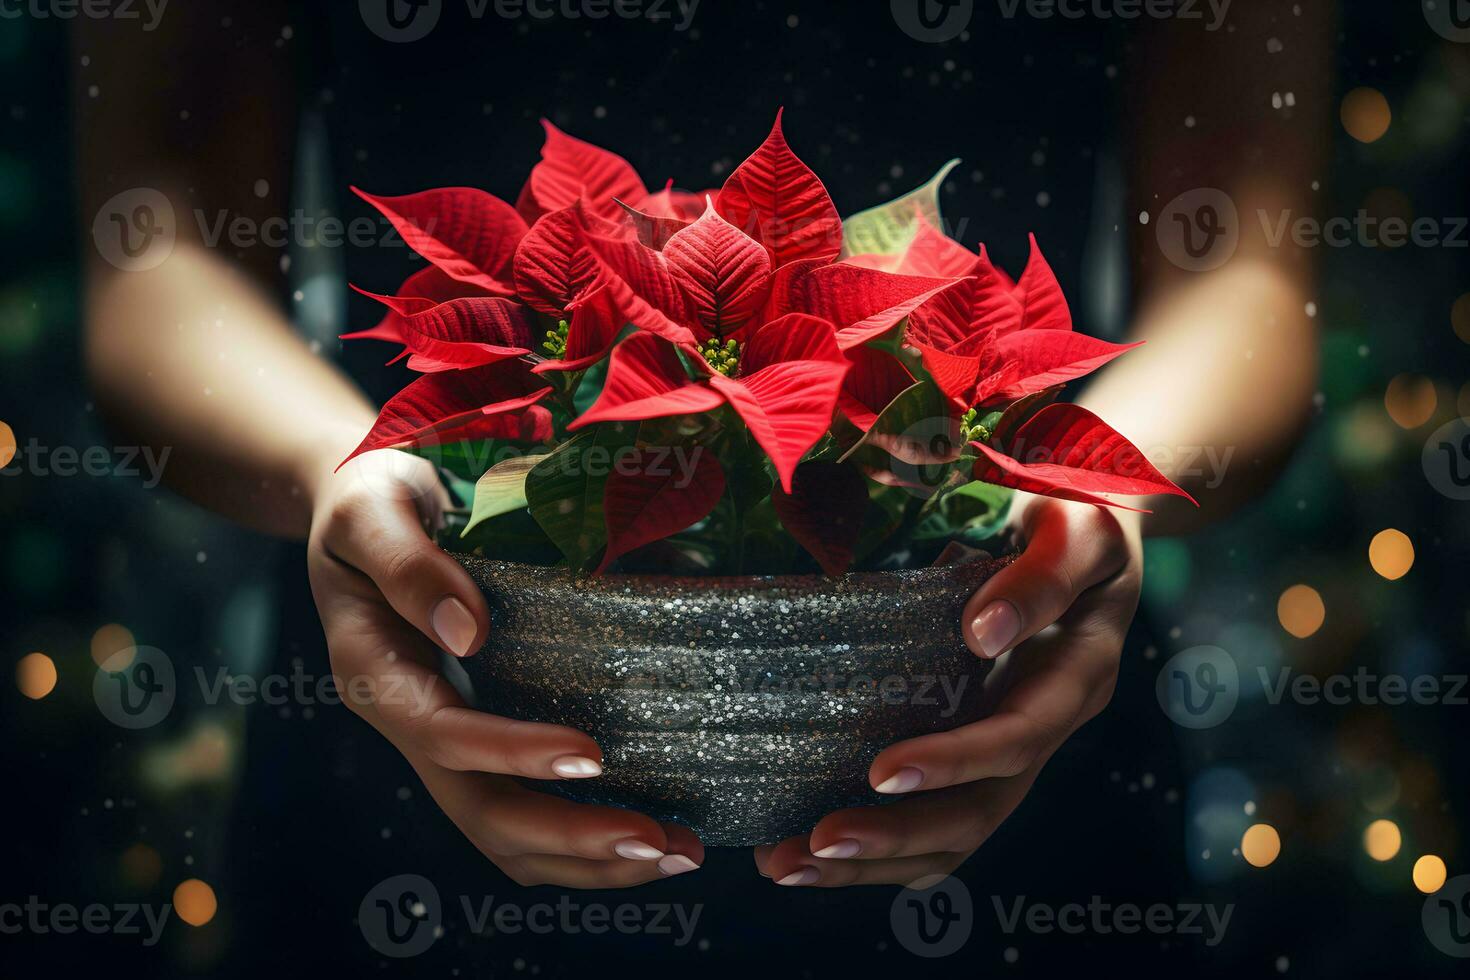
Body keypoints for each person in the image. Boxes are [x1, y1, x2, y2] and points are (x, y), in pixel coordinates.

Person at [77, 1, 1328, 893]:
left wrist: (1091, 507)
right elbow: (153, 250)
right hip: (431, 667)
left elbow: (1250, 271)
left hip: (1007, 709)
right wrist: (339, 467)